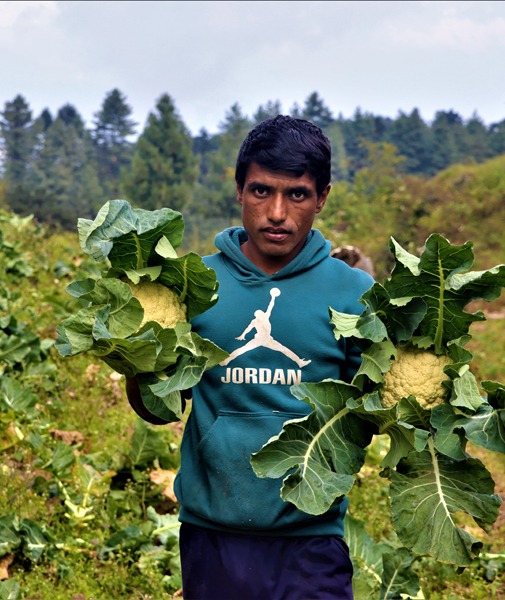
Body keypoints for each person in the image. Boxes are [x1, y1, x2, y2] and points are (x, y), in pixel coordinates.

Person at [125, 115, 374, 600]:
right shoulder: (195, 287)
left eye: (297, 194)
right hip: (213, 537)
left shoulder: (354, 295)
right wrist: (134, 359)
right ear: (239, 190)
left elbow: (373, 412)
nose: (276, 212)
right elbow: (157, 410)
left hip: (312, 542)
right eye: (261, 191)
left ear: (321, 197)